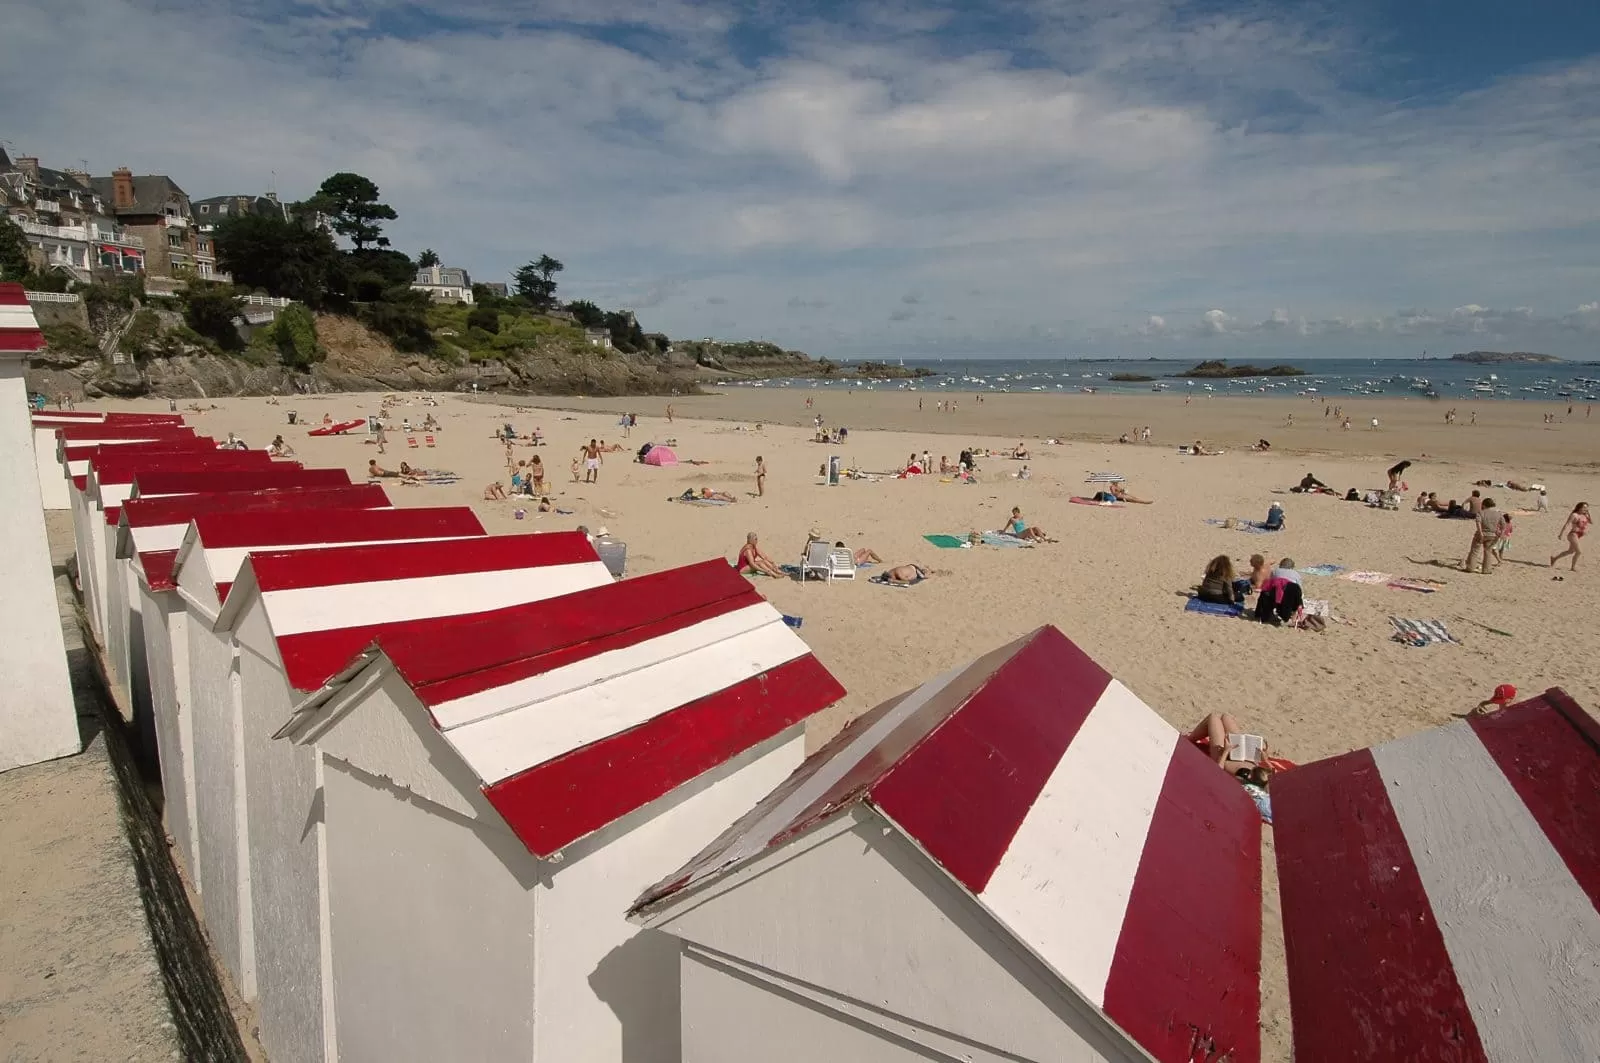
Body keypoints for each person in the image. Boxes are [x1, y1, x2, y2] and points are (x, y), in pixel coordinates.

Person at [1187, 714, 1271, 779]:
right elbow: (1272, 773)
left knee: (1213, 718)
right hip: (1243, 755)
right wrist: (1265, 759)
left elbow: (1217, 773)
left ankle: (1188, 739)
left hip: (1222, 758)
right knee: (1226, 717)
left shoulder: (1250, 787)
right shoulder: (1268, 784)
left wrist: (1226, 751)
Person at [1464, 497, 1500, 574]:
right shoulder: (1498, 513)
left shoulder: (1480, 513)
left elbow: (1478, 523)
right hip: (1492, 534)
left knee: (1474, 551)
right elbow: (1503, 525)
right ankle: (1486, 570)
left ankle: (1470, 567)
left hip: (1481, 534)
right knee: (1488, 552)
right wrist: (1498, 533)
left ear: (1483, 505)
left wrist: (1480, 533)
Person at [1552, 502, 1590, 571]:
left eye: (1586, 507)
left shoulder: (1585, 515)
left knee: (1570, 551)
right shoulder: (1574, 515)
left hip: (1579, 535)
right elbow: (1567, 524)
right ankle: (1573, 567)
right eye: (1584, 507)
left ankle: (1554, 558)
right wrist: (1561, 534)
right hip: (1573, 534)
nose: (1585, 509)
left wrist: (1588, 515)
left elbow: (1589, 522)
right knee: (1579, 552)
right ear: (1579, 507)